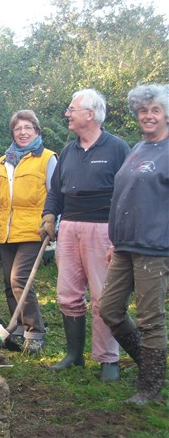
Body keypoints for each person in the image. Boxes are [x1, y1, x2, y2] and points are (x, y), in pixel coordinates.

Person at [40, 88, 130, 381]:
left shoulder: (117, 148)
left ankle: (108, 360)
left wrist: (119, 238)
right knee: (67, 294)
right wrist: (49, 217)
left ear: (90, 115)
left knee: (104, 297)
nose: (67, 114)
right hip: (69, 228)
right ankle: (74, 355)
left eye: (71, 109)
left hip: (104, 229)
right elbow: (56, 191)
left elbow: (128, 195)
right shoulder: (68, 150)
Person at [100, 84, 168, 404]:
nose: (148, 116)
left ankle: (150, 387)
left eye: (155, 110)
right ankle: (151, 365)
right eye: (143, 111)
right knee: (109, 309)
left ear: (166, 114)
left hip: (155, 246)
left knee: (150, 318)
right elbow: (122, 197)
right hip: (125, 245)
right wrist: (116, 239)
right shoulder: (138, 149)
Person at [0, 110, 57, 354]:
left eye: (28, 127)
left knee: (20, 280)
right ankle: (16, 330)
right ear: (13, 133)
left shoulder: (47, 158)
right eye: (18, 128)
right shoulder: (3, 160)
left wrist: (53, 226)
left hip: (33, 231)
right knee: (9, 283)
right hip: (6, 231)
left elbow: (55, 194)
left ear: (37, 131)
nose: (23, 132)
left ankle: (35, 331)